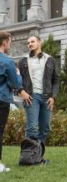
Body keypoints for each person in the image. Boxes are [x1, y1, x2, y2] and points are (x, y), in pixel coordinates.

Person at [18, 35, 60, 161]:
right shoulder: (23, 61)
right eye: (28, 42)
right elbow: (16, 80)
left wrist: (53, 96)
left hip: (46, 97)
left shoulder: (50, 59)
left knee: (45, 127)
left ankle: (37, 155)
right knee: (32, 127)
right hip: (31, 96)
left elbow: (56, 80)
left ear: (39, 42)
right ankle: (27, 156)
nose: (29, 44)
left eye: (32, 41)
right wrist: (21, 92)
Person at [0, 31, 28, 173]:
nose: (9, 45)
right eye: (9, 42)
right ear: (5, 43)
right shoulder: (7, 61)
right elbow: (15, 84)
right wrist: (18, 75)